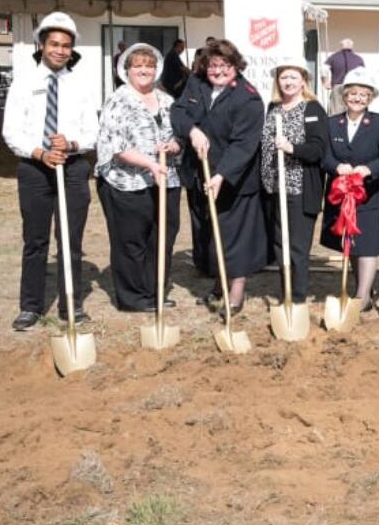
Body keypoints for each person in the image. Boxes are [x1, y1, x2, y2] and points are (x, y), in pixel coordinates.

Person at [2, 12, 100, 330]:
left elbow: (92, 131)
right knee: (35, 239)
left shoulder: (82, 84)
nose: (60, 50)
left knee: (70, 239)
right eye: (54, 44)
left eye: (66, 45)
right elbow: (11, 131)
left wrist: (70, 144)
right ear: (42, 45)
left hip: (73, 168)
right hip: (34, 169)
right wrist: (40, 152)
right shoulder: (24, 82)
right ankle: (30, 306)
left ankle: (71, 305)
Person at [171, 38, 265, 317]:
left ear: (235, 66)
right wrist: (192, 130)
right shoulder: (196, 84)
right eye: (213, 65)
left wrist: (222, 174)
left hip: (234, 179)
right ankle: (218, 285)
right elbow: (178, 112)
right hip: (199, 172)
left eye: (225, 65)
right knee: (209, 234)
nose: (218, 71)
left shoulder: (248, 97)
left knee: (234, 237)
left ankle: (235, 294)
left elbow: (244, 144)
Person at [95, 43, 183, 313]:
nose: (144, 70)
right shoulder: (117, 100)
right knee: (132, 240)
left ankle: (155, 289)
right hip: (126, 181)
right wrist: (149, 163)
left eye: (149, 65)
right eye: (138, 66)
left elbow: (179, 134)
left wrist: (176, 145)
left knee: (163, 236)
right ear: (127, 70)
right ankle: (133, 297)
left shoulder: (167, 100)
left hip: (165, 180)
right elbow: (116, 147)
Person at [320, 67, 379, 310]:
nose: (357, 98)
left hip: (369, 194)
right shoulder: (331, 124)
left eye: (364, 94)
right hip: (340, 193)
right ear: (344, 95)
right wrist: (336, 165)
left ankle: (362, 297)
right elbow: (323, 155)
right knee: (348, 242)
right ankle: (364, 283)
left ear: (370, 98)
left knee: (368, 243)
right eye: (353, 93)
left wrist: (369, 169)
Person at [261, 57, 329, 307]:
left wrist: (292, 147)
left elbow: (319, 149)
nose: (288, 82)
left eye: (293, 77)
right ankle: (285, 292)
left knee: (297, 247)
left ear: (303, 80)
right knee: (280, 245)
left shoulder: (312, 109)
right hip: (273, 187)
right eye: (283, 77)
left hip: (299, 188)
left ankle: (297, 298)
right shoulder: (273, 108)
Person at [322, 38, 365, 114]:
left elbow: (324, 69)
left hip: (338, 87)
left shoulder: (334, 57)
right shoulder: (358, 59)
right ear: (352, 46)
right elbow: (363, 74)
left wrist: (325, 81)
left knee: (335, 113)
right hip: (353, 87)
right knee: (353, 112)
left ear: (341, 46)